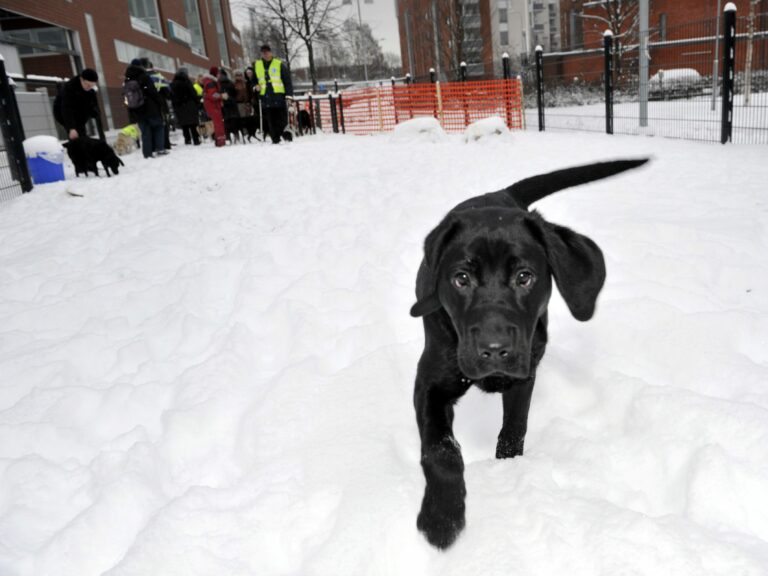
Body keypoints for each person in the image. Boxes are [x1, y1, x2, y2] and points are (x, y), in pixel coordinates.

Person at [124, 58, 166, 158]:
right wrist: (160, 102)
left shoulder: (127, 79)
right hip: (150, 107)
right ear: (141, 66)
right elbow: (152, 91)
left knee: (145, 132)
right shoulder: (144, 76)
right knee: (158, 127)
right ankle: (160, 149)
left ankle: (147, 153)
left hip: (137, 109)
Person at [254, 44, 293, 144]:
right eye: (263, 52)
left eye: (267, 52)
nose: (265, 54)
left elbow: (287, 80)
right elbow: (253, 80)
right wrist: (255, 86)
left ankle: (286, 137)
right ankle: (275, 139)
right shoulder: (257, 65)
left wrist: (288, 95)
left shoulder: (278, 64)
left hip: (278, 96)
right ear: (261, 54)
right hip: (266, 97)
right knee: (270, 120)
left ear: (271, 52)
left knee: (282, 119)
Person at [53, 68, 100, 141]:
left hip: (79, 112)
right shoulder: (70, 88)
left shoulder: (90, 90)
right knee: (76, 137)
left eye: (92, 85)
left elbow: (93, 104)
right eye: (87, 85)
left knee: (82, 135)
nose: (89, 87)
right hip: (63, 112)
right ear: (81, 79)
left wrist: (95, 112)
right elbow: (66, 109)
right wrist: (71, 128)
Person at [143, 59, 172, 151]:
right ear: (152, 67)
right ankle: (164, 144)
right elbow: (167, 92)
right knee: (162, 125)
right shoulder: (158, 76)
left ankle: (152, 147)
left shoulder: (140, 77)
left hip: (144, 106)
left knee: (149, 127)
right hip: (160, 104)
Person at [170, 68, 201, 146]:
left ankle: (187, 140)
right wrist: (197, 102)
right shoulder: (187, 82)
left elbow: (172, 96)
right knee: (193, 123)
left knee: (184, 124)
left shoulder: (173, 83)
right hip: (190, 105)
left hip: (179, 106)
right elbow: (193, 93)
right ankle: (196, 139)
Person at [201, 66, 226, 147]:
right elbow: (213, 95)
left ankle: (219, 140)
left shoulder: (209, 81)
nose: (219, 75)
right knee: (218, 123)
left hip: (212, 105)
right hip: (213, 105)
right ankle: (220, 141)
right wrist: (222, 96)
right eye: (218, 73)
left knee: (217, 123)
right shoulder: (211, 82)